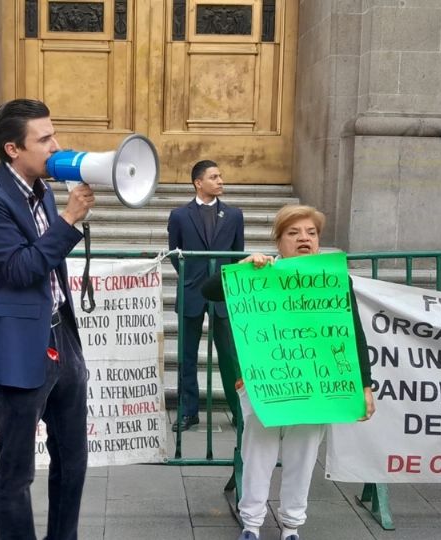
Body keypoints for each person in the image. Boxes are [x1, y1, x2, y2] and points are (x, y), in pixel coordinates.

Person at [200, 204, 375, 540]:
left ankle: (291, 526)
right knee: (258, 453)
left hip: (318, 387)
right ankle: (251, 523)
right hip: (264, 385)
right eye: (294, 233)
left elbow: (354, 333)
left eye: (311, 233)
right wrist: (241, 267)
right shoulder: (260, 274)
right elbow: (209, 291)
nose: (304, 239)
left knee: (304, 455)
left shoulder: (334, 281)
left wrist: (365, 386)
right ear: (278, 242)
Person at [0, 98, 95, 540]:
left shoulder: (43, 190)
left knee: (73, 458)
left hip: (61, 335)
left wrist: (67, 220)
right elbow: (21, 269)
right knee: (16, 472)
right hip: (19, 346)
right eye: (44, 139)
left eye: (52, 134)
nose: (55, 145)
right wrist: (72, 221)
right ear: (12, 149)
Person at [167, 160, 245, 432]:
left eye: (220, 176)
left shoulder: (234, 215)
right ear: (198, 183)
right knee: (186, 354)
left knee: (230, 354)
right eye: (214, 177)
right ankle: (188, 412)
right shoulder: (179, 215)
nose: (220, 181)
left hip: (223, 294)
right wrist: (189, 278)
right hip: (191, 293)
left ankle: (238, 410)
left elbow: (237, 255)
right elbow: (175, 254)